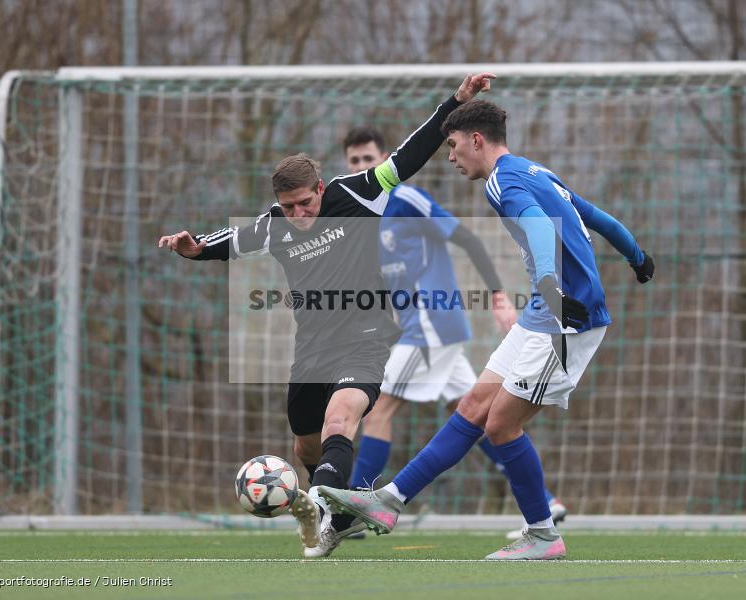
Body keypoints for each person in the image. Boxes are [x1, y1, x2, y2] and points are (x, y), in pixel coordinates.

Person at [158, 73, 495, 558]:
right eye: (288, 207)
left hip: (367, 336)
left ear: (320, 187)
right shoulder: (275, 224)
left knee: (342, 419)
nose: (298, 214)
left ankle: (323, 512)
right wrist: (194, 249)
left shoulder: (356, 192)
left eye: (305, 203)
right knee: (305, 447)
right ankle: (339, 508)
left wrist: (456, 101)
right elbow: (230, 242)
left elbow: (409, 154)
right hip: (312, 349)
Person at [319, 98, 654, 560]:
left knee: (499, 425)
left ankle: (543, 534)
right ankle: (388, 501)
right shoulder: (534, 171)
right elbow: (595, 217)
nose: (450, 157)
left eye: (453, 146)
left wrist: (550, 287)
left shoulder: (501, 183)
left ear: (476, 140)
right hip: (543, 312)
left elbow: (539, 227)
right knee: (474, 405)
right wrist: (637, 255)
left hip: (566, 320)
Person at [341, 127, 568, 540]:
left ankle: (353, 508)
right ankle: (545, 501)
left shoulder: (405, 199)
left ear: (385, 159)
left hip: (432, 326)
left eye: (368, 159)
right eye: (354, 161)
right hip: (421, 329)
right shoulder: (360, 218)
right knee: (473, 414)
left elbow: (466, 239)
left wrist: (497, 295)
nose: (361, 167)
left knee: (378, 409)